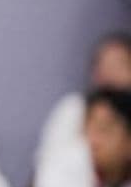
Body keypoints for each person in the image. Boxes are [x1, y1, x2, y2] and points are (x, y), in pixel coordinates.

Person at [36, 31, 131, 170]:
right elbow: (50, 165)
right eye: (103, 64)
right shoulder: (75, 108)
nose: (110, 72)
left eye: (119, 64)